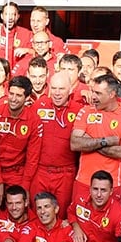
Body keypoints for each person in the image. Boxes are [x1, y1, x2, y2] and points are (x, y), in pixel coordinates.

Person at [70, 74, 121, 199]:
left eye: (98, 93)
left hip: (111, 184)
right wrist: (106, 141)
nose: (93, 97)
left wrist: (88, 142)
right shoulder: (86, 111)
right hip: (84, 182)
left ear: (112, 94)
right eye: (93, 92)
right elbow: (75, 144)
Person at [31, 71, 83, 211]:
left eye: (62, 89)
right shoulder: (39, 106)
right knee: (37, 213)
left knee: (61, 214)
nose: (57, 93)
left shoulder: (79, 110)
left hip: (65, 173)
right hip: (40, 171)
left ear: (70, 89)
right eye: (54, 88)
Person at [0, 76, 41, 199]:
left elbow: (33, 157)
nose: (13, 99)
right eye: (11, 94)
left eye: (19, 95)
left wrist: (25, 185)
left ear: (27, 98)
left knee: (17, 208)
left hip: (18, 173)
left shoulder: (34, 120)